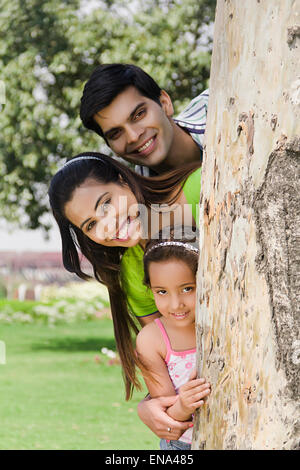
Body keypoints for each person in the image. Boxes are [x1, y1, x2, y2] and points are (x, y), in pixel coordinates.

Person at [48, 151, 201, 438]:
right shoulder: (133, 269)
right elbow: (169, 352)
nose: (106, 226)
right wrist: (152, 404)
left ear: (123, 179)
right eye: (91, 225)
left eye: (105, 204)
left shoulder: (196, 188)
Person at [136, 231, 211, 450]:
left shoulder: (225, 324)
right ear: (150, 290)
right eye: (162, 292)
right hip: (181, 446)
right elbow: (166, 415)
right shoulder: (152, 339)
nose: (176, 304)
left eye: (187, 288)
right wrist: (184, 405)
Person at [80, 63, 208, 176]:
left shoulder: (221, 104)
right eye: (116, 133)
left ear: (165, 103)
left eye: (139, 115)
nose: (133, 137)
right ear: (111, 147)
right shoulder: (139, 200)